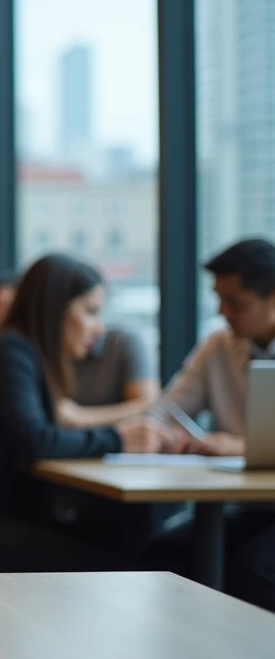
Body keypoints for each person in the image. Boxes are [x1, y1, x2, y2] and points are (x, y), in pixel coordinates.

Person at [0, 254, 168, 573]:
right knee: (113, 565)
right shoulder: (11, 352)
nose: (99, 328)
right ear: (56, 310)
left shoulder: (25, 354)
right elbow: (36, 439)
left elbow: (44, 431)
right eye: (90, 312)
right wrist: (118, 439)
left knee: (121, 538)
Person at [145, 238, 275, 611]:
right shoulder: (218, 345)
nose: (223, 312)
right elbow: (166, 410)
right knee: (165, 553)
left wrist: (242, 446)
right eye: (219, 299)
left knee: (254, 570)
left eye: (235, 302)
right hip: (250, 507)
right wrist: (166, 436)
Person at [59, 326, 159, 429]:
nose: (100, 329)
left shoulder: (124, 343)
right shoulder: (43, 361)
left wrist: (77, 416)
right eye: (90, 312)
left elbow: (148, 408)